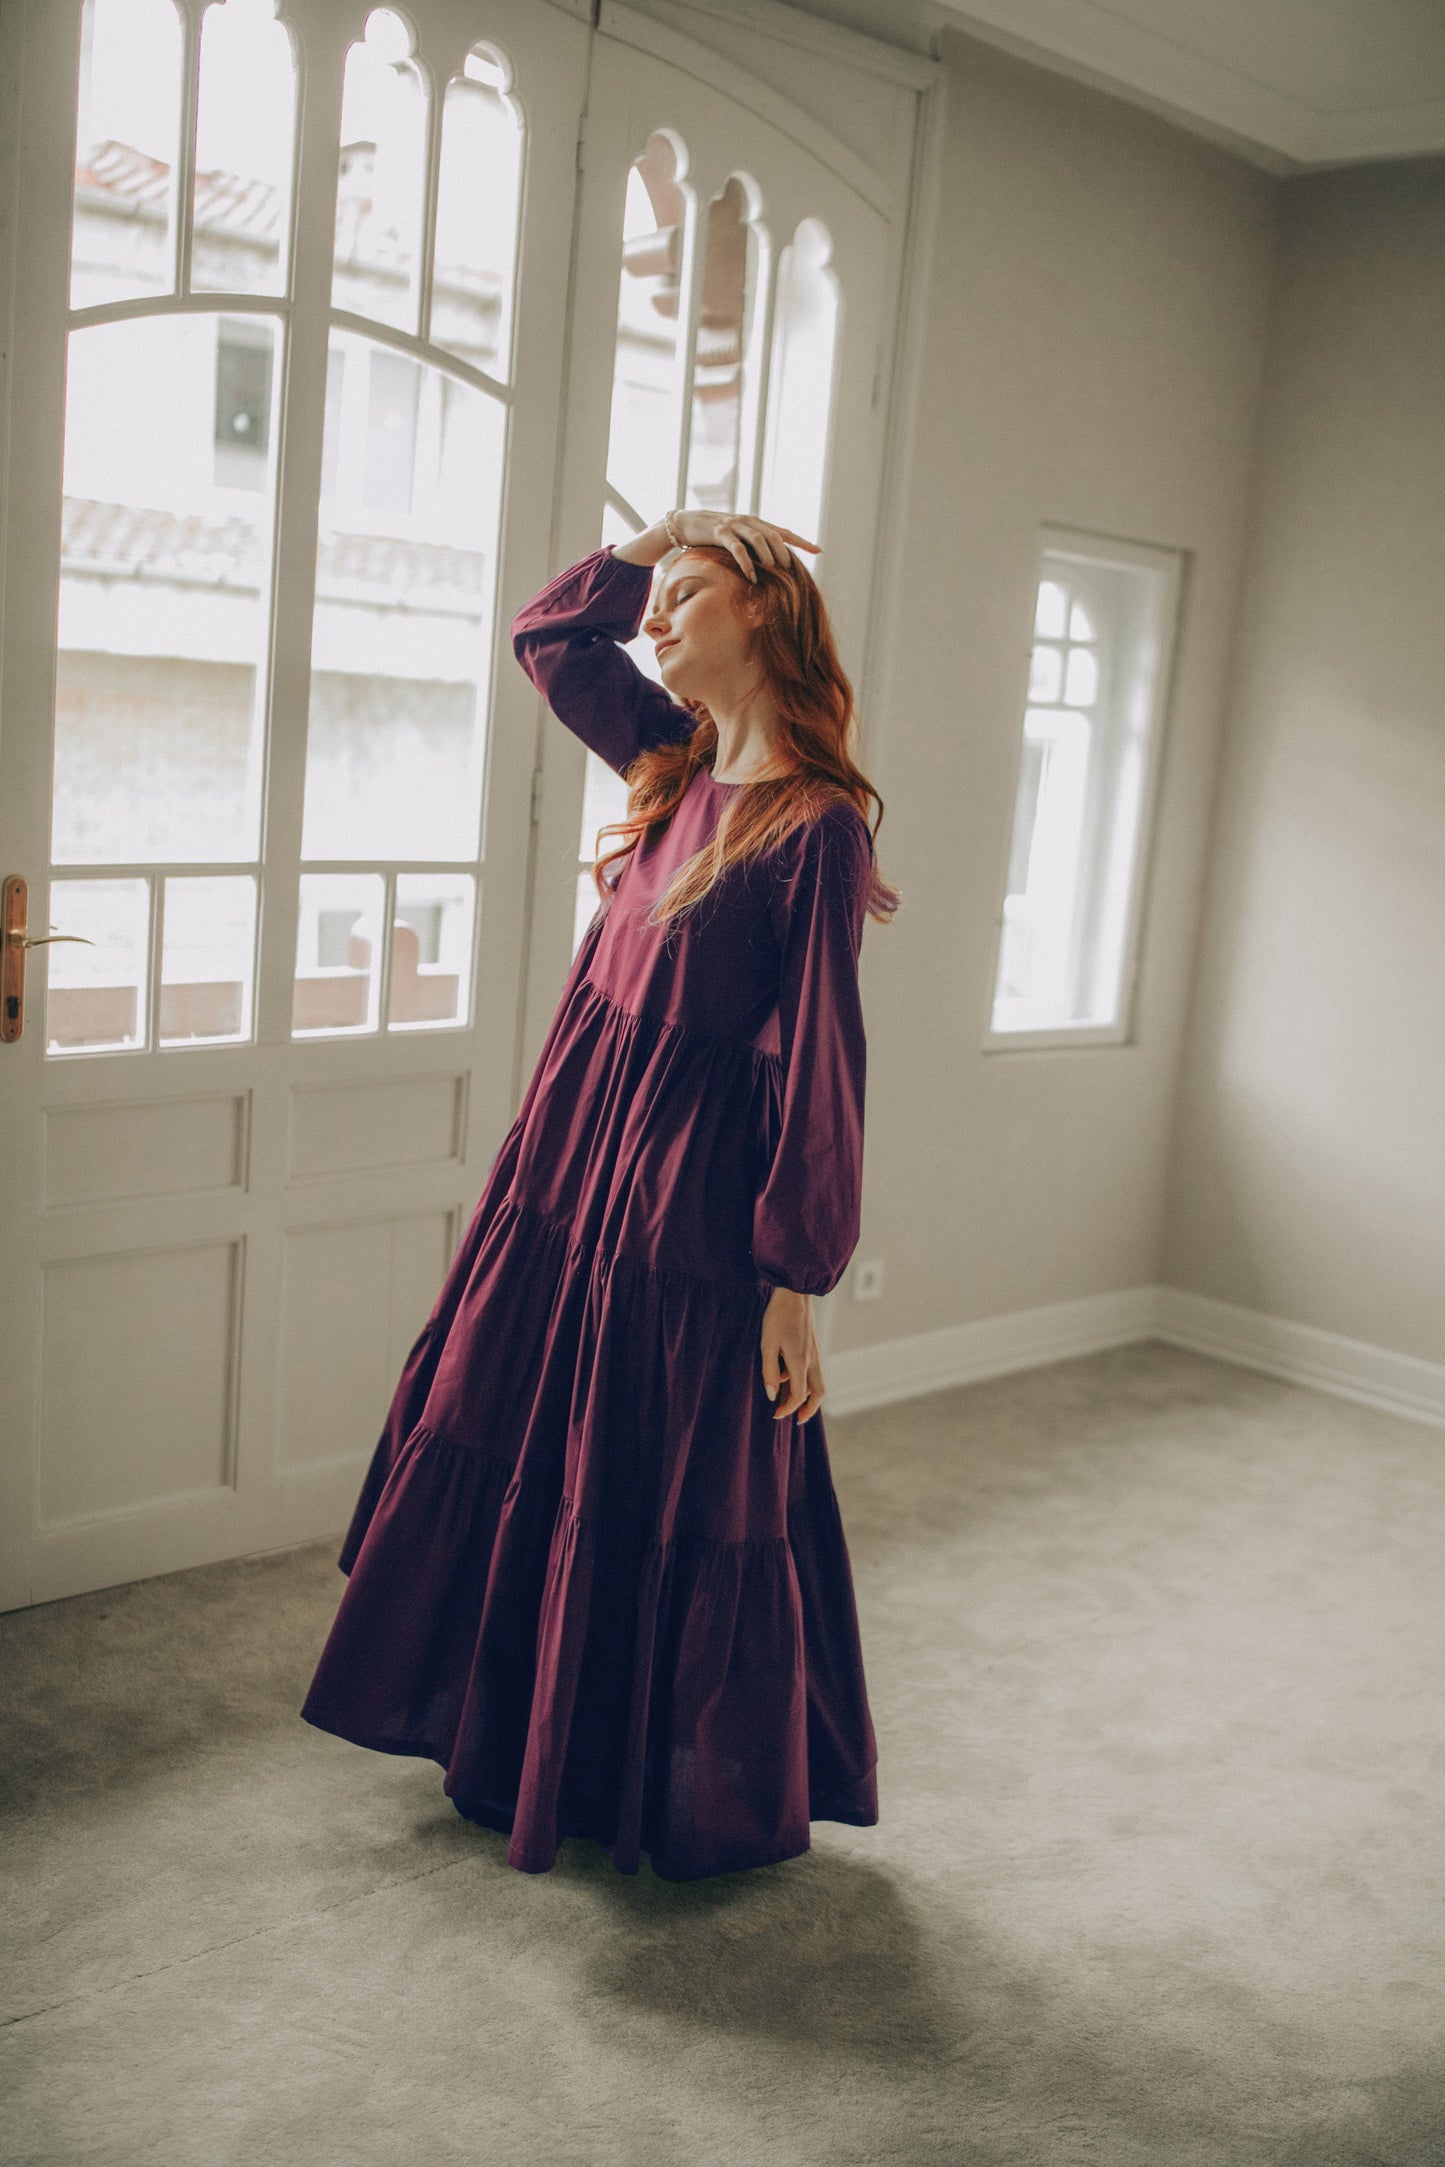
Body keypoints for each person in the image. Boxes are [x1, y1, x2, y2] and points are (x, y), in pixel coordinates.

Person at [300, 507, 902, 1882]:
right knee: (519, 1425)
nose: (656, 618)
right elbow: (550, 636)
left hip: (681, 1208)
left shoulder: (815, 829)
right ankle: (517, 1742)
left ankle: (642, 1779)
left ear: (765, 613)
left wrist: (793, 1280)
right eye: (658, 596)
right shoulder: (668, 760)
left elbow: (820, 1062)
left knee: (651, 1473)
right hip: (570, 1164)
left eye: (687, 594)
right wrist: (660, 539)